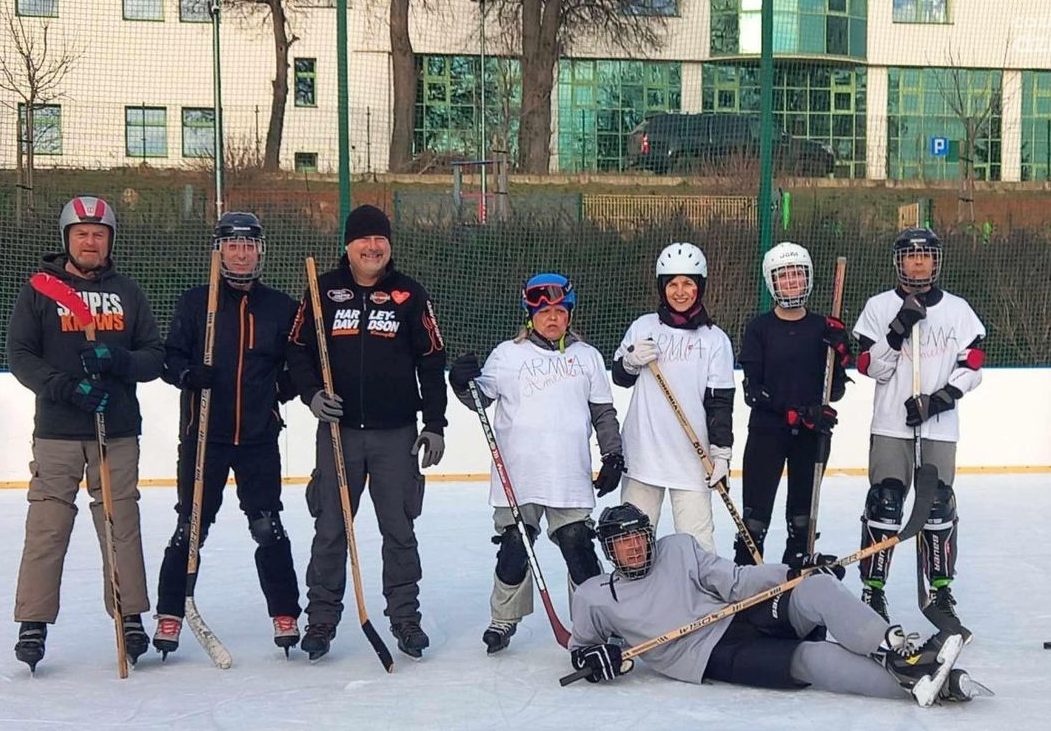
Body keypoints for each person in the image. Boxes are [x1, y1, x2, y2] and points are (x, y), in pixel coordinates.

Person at [567, 505, 981, 706]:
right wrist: (594, 659)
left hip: (737, 614)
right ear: (609, 550)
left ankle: (895, 649)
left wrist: (793, 571)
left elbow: (734, 581)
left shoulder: (677, 549)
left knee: (815, 588)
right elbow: (580, 648)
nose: (635, 547)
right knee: (812, 659)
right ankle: (931, 683)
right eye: (623, 542)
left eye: (639, 536)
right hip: (710, 655)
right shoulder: (594, 595)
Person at [7, 195, 165, 671]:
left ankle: (129, 614)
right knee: (47, 526)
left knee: (120, 524)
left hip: (114, 430)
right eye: (81, 234)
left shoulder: (128, 292)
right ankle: (32, 622)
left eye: (98, 234)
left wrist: (117, 361)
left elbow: (154, 356)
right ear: (67, 239)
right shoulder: (40, 289)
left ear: (109, 240)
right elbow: (21, 355)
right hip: (57, 430)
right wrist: (66, 388)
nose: (90, 241)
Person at [287, 204, 448, 661]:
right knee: (332, 528)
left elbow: (432, 361)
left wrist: (435, 424)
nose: (372, 247)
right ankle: (321, 618)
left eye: (380, 240)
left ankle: (405, 617)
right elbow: (296, 351)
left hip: (395, 433)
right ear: (348, 246)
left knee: (398, 527)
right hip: (338, 434)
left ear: (389, 246)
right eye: (363, 240)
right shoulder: (323, 292)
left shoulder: (409, 295)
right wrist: (313, 395)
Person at [447, 273, 624, 654]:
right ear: (531, 315)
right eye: (544, 311)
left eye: (560, 311)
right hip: (519, 474)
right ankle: (504, 618)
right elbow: (479, 398)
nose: (553, 318)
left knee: (578, 546)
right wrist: (460, 383)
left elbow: (603, 413)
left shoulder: (587, 357)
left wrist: (613, 454)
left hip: (569, 475)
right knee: (515, 545)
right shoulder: (507, 355)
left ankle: (594, 619)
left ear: (570, 315)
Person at [153, 212, 303, 659]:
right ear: (218, 252)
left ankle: (285, 611)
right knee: (190, 528)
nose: (241, 253)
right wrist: (186, 373)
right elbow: (167, 359)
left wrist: (280, 391)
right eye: (231, 246)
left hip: (258, 438)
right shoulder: (195, 303)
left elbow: (298, 366)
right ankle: (170, 613)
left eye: (248, 245)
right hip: (205, 436)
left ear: (260, 251)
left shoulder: (281, 307)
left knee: (267, 525)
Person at [852, 227, 984, 638]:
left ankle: (941, 591)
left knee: (939, 505)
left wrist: (939, 399)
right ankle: (873, 591)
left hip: (939, 427)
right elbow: (871, 367)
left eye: (926, 256)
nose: (919, 263)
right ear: (899, 262)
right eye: (911, 257)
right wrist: (896, 331)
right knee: (885, 503)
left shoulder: (959, 311)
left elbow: (973, 365)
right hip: (891, 424)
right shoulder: (878, 307)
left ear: (936, 261)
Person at [611, 242, 735, 554]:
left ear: (700, 286)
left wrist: (721, 455)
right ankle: (636, 603)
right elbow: (620, 378)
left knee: (699, 549)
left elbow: (720, 403)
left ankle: (704, 604)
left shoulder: (715, 340)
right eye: (673, 284)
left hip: (692, 462)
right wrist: (630, 360)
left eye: (689, 283)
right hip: (643, 457)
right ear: (662, 287)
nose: (680, 292)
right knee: (633, 547)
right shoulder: (643, 327)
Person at [735, 242, 850, 566]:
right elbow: (753, 391)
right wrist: (794, 413)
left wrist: (841, 353)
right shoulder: (759, 328)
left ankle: (796, 577)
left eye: (796, 276)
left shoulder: (823, 328)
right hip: (767, 432)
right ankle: (746, 582)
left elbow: (834, 390)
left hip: (813, 436)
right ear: (772, 282)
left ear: (808, 279)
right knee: (755, 519)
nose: (790, 283)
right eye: (783, 277)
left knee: (802, 518)